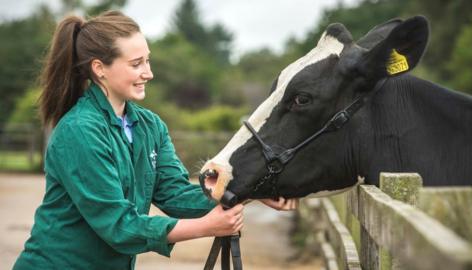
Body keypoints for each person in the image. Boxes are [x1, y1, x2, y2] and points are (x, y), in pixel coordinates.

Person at [13, 10, 298, 269]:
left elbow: (175, 194)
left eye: (147, 60)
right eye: (136, 64)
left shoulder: (150, 126)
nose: (148, 73)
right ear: (100, 68)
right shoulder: (79, 132)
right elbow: (119, 226)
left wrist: (253, 192)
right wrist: (207, 227)